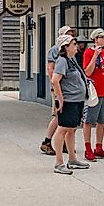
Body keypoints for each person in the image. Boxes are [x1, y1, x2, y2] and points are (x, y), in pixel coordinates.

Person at [51, 34, 90, 175]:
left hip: (77, 100)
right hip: (69, 100)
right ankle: (59, 162)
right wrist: (60, 99)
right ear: (65, 47)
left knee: (72, 129)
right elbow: (55, 80)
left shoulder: (71, 60)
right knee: (62, 129)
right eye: (73, 44)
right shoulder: (62, 61)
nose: (76, 46)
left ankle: (72, 159)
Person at [82, 28, 104, 161]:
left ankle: (99, 147)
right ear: (96, 39)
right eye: (103, 37)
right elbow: (88, 72)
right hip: (94, 92)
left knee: (102, 121)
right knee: (89, 121)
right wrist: (95, 55)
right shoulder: (88, 52)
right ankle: (88, 148)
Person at [40, 26, 75, 155]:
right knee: (57, 115)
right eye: (68, 33)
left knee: (66, 117)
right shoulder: (55, 50)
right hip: (60, 87)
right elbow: (50, 68)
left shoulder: (71, 51)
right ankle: (47, 142)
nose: (71, 36)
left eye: (72, 33)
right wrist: (55, 86)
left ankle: (66, 143)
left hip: (69, 88)